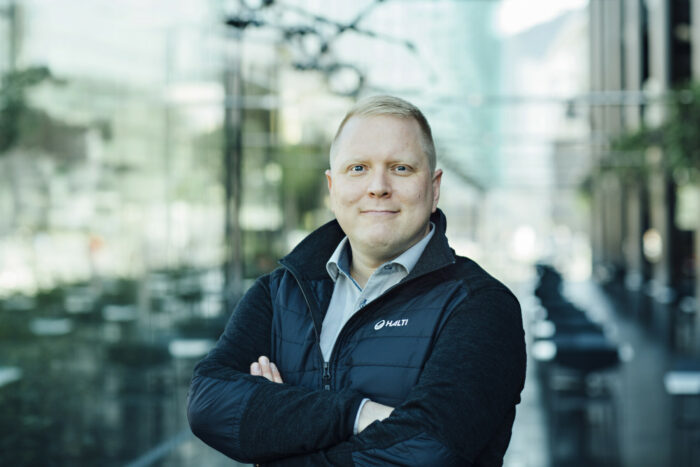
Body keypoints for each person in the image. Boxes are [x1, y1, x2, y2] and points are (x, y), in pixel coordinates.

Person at [187, 95, 526, 466]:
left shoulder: (480, 305)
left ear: (434, 188)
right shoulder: (280, 292)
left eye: (400, 168)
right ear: (333, 188)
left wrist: (278, 424)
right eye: (358, 168)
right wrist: (357, 414)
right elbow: (207, 402)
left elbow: (427, 449)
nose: (378, 186)